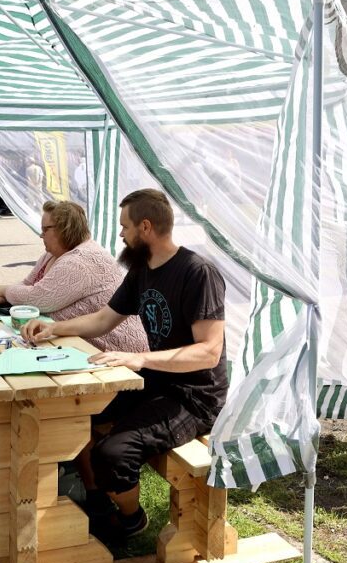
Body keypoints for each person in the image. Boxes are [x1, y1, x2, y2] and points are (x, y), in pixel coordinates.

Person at [21, 189, 227, 539]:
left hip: (195, 396)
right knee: (73, 410)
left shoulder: (197, 272)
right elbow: (103, 319)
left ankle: (131, 520)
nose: (120, 235)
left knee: (114, 453)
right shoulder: (142, 270)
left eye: (124, 227)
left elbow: (209, 351)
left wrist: (139, 358)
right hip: (157, 380)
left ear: (145, 227)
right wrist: (53, 328)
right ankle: (98, 498)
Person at [0, 200, 147, 353]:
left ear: (65, 229)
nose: (41, 235)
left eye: (45, 230)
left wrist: (1, 290)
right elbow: (27, 284)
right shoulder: (53, 254)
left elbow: (37, 298)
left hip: (116, 348)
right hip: (81, 342)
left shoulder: (81, 260)